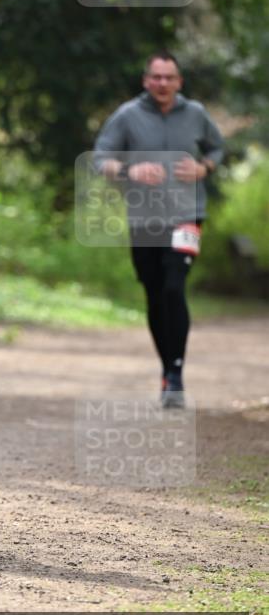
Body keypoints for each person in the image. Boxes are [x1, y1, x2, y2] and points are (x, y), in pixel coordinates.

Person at [93, 52, 224, 407]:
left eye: (169, 78)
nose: (163, 83)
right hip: (145, 219)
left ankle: (176, 375)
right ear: (145, 80)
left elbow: (218, 148)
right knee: (154, 292)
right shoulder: (127, 116)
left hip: (187, 215)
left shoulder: (196, 113)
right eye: (156, 77)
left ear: (179, 82)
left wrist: (204, 168)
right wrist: (129, 172)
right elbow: (100, 158)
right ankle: (167, 370)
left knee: (173, 286)